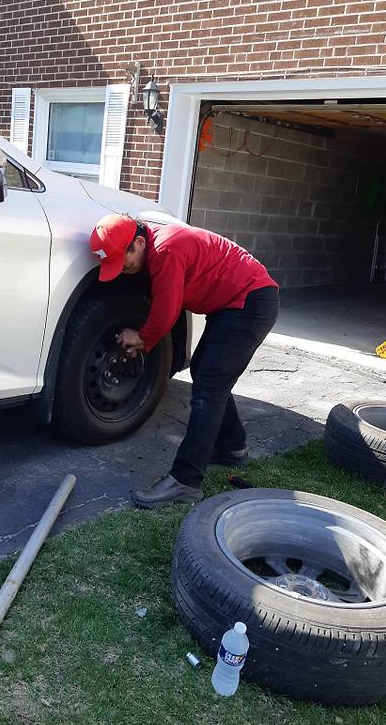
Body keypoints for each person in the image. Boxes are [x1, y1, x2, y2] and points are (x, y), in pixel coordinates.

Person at [90, 213, 279, 509]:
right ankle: (232, 447)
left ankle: (185, 481)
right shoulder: (155, 245)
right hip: (235, 303)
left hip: (250, 301)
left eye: (123, 263)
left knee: (210, 386)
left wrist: (140, 339)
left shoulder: (166, 250)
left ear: (139, 243)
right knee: (207, 371)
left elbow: (167, 312)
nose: (122, 271)